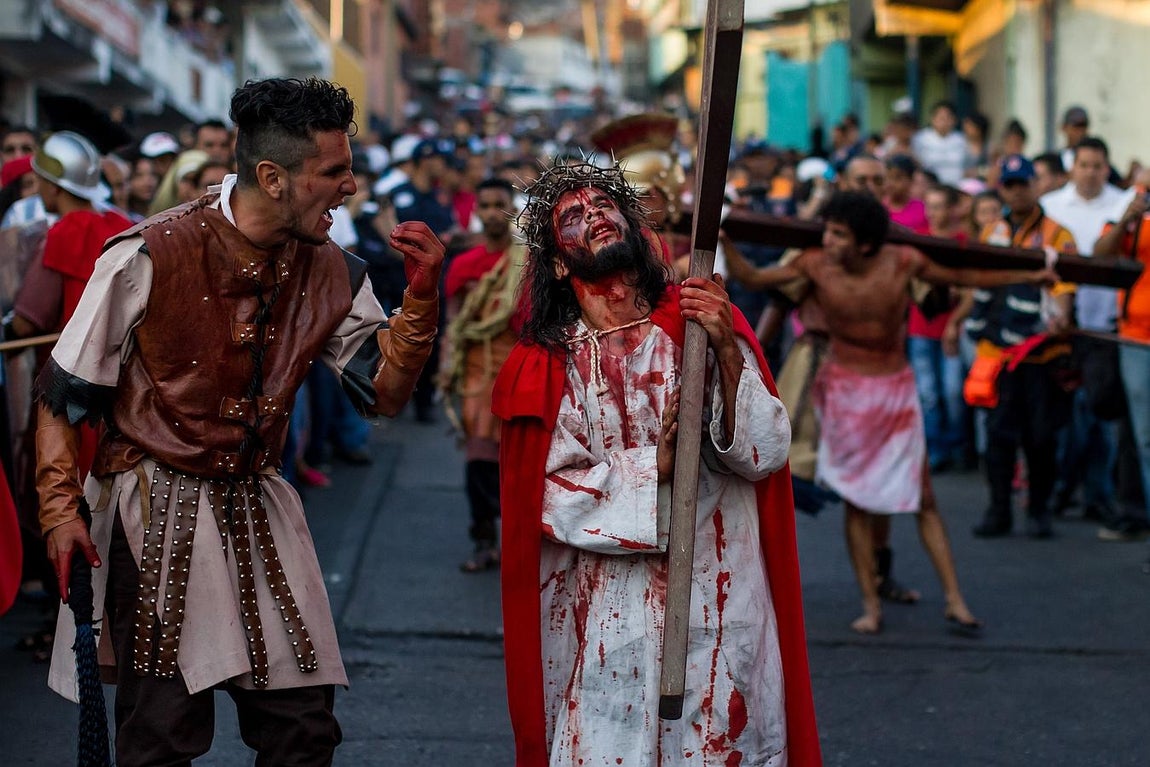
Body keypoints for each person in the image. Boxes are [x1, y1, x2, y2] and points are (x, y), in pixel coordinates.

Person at [35, 77, 444, 766]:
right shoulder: (147, 253)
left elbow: (383, 393)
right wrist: (57, 508)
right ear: (272, 177)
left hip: (259, 506)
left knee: (303, 730)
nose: (351, 185)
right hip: (153, 508)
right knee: (161, 735)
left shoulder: (333, 268)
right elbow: (63, 392)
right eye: (334, 171)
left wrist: (423, 300)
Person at [492, 160, 820, 765]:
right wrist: (655, 467)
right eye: (573, 215)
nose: (594, 215)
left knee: (719, 744)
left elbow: (764, 451)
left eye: (603, 206)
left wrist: (724, 346)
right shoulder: (544, 366)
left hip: (718, 589)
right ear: (558, 264)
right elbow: (550, 495)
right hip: (604, 612)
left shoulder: (697, 321)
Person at [760, 190, 1057, 634]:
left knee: (916, 495)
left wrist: (1027, 272)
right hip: (830, 375)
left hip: (891, 383)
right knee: (853, 496)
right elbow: (774, 297)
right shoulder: (814, 256)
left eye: (874, 180)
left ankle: (925, 589)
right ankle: (872, 597)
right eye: (858, 179)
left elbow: (949, 287)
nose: (833, 236)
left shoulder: (900, 258)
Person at [960, 155, 1078, 539]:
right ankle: (999, 512)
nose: (1016, 191)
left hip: (1040, 354)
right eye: (1009, 185)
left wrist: (1062, 314)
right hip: (996, 356)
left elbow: (1064, 285)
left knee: (1041, 438)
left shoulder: (1057, 234)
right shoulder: (992, 230)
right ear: (1003, 188)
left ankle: (1039, 511)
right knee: (998, 437)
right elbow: (978, 280)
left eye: (1022, 183)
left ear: (1034, 185)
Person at [1040, 136, 1128, 524]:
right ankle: (1061, 487)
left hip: (1103, 323)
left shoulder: (1122, 205)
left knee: (1096, 411)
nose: (1091, 172)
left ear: (1106, 168)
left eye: (1097, 165)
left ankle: (1096, 494)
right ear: (1073, 167)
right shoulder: (1052, 206)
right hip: (1057, 325)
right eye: (1084, 165)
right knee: (1063, 416)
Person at [440, 177, 521, 573]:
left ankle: (516, 544)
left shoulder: (529, 265)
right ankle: (485, 540)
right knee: (478, 459)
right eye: (485, 205)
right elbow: (453, 325)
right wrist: (445, 371)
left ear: (512, 209)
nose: (492, 213)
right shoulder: (463, 265)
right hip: (475, 373)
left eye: (499, 205)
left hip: (518, 372)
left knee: (517, 462)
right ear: (477, 212)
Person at [912, 101, 967, 185]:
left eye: (948, 118)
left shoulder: (962, 139)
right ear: (932, 119)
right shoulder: (920, 138)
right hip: (930, 185)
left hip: (958, 184)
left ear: (954, 120)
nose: (944, 121)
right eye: (941, 118)